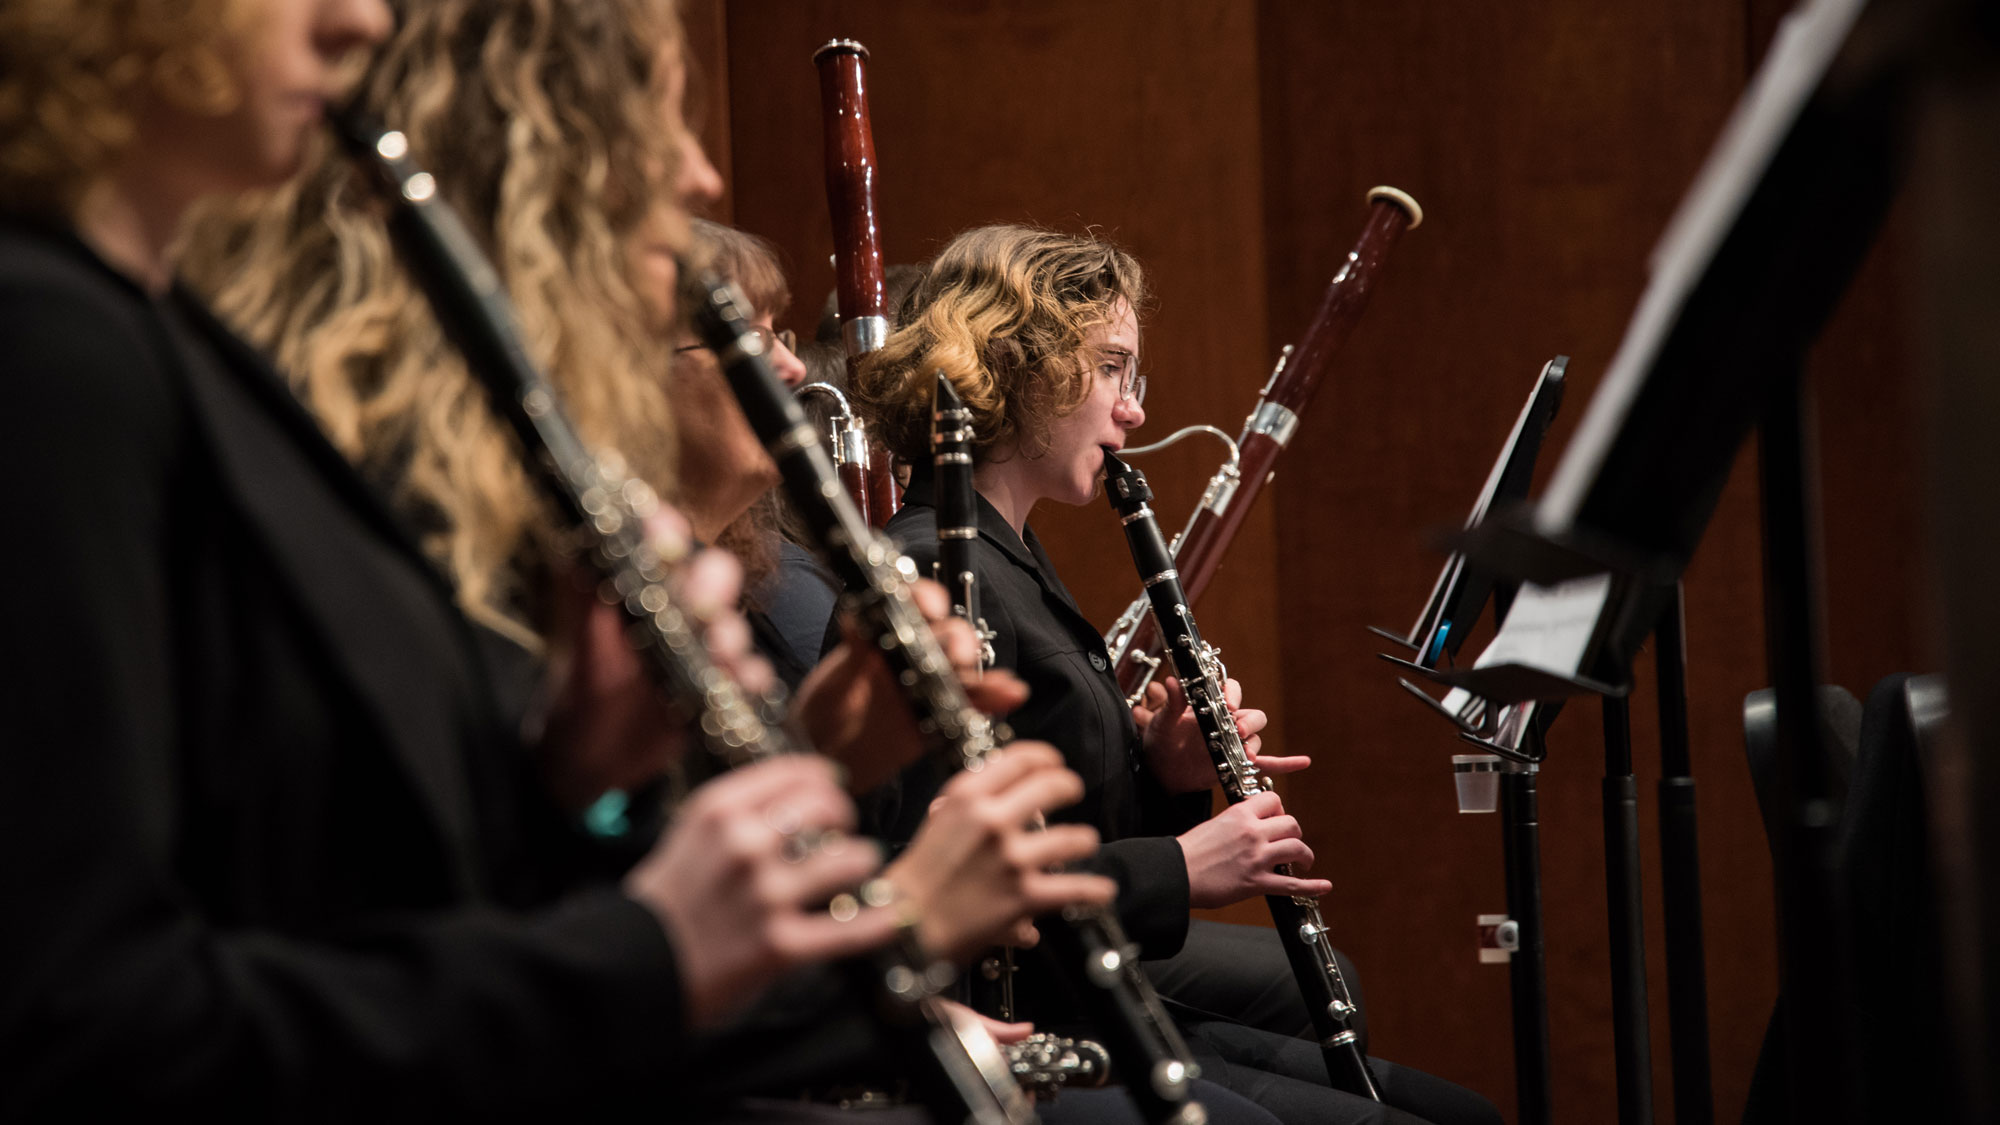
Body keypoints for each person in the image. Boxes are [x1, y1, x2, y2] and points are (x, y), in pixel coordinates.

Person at [0, 0, 1066, 1118]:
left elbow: (380, 881)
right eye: (656, 125)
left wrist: (581, 785)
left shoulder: (186, 356)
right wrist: (697, 949)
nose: (357, 18)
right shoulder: (57, 354)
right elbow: (85, 1023)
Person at [852, 224, 1503, 1125]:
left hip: (1087, 986)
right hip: (1033, 1021)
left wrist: (1165, 773)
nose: (1135, 411)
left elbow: (1071, 816)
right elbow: (947, 890)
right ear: (1021, 364)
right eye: (1113, 367)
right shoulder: (937, 571)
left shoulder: (1017, 561)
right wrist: (1178, 865)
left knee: (1460, 1112)